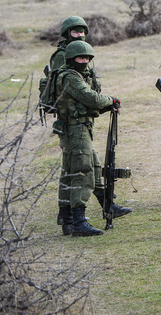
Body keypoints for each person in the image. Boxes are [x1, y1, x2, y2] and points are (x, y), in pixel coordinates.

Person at [46, 41, 129, 236]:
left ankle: (69, 221)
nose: (84, 61)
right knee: (83, 173)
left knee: (78, 170)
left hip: (76, 129)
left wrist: (108, 105)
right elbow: (91, 97)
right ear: (70, 59)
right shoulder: (70, 78)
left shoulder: (71, 75)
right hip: (76, 130)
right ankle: (78, 222)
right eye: (80, 58)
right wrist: (112, 101)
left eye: (86, 58)